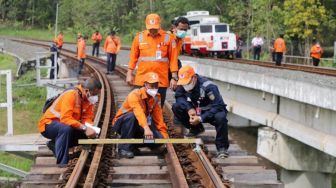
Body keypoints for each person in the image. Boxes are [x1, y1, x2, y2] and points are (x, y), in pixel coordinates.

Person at [38, 78, 102, 167]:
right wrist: (84, 128)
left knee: (86, 135)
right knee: (66, 129)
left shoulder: (87, 100)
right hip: (49, 125)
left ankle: (54, 143)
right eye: (94, 94)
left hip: (65, 126)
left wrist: (90, 129)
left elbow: (86, 118)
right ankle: (62, 162)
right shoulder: (71, 95)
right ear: (87, 91)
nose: (95, 97)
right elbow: (65, 118)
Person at [172, 65, 229, 158]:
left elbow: (219, 105)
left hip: (211, 111)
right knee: (176, 106)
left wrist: (201, 118)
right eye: (183, 84)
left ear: (194, 78)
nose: (185, 86)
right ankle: (196, 128)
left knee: (221, 117)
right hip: (196, 110)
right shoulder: (183, 84)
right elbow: (179, 97)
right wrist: (189, 108)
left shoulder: (208, 86)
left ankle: (222, 147)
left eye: (188, 83)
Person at [112, 72, 168, 158]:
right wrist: (146, 128)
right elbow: (138, 112)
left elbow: (158, 117)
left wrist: (164, 137)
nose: (154, 88)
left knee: (158, 139)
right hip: (122, 123)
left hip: (139, 124)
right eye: (151, 85)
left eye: (156, 85)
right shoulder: (134, 95)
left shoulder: (155, 98)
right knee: (132, 116)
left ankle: (134, 146)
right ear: (145, 85)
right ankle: (123, 148)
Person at [126, 13, 178, 107]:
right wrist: (129, 74)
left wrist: (174, 77)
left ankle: (155, 122)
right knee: (139, 107)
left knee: (157, 108)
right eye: (150, 28)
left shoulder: (168, 38)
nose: (153, 30)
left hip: (160, 80)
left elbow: (173, 59)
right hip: (142, 79)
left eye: (155, 28)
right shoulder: (139, 38)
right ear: (146, 25)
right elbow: (133, 58)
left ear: (159, 25)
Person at [168, 16, 190, 85]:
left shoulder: (181, 39)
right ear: (175, 27)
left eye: (185, 30)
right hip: (166, 66)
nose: (183, 31)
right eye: (181, 29)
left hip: (174, 64)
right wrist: (174, 76)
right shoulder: (168, 37)